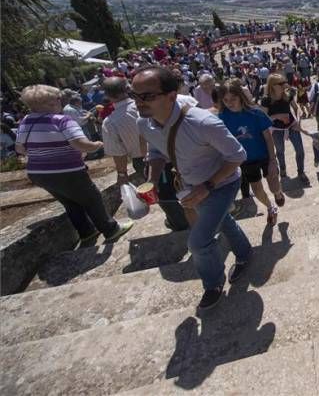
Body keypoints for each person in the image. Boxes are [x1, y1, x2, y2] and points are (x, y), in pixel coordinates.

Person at [133, 66, 253, 311]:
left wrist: (208, 186)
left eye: (146, 96)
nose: (138, 102)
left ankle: (213, 283)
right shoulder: (144, 123)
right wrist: (153, 179)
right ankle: (245, 252)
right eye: (134, 94)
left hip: (223, 183)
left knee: (198, 242)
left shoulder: (202, 122)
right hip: (191, 185)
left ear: (170, 96)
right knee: (223, 220)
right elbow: (156, 151)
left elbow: (238, 156)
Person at [15, 85, 134, 243]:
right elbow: (80, 144)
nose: (61, 102)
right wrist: (97, 145)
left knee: (70, 202)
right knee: (92, 198)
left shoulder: (25, 122)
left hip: (38, 173)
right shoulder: (62, 121)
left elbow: (20, 149)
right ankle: (111, 229)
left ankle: (86, 232)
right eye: (59, 99)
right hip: (67, 171)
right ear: (50, 102)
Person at [101, 76, 191, 231]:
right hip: (179, 152)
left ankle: (180, 223)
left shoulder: (111, 122)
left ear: (108, 96)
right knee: (187, 186)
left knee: (163, 195)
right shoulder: (155, 104)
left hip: (145, 160)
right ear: (128, 88)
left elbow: (118, 152)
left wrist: (122, 174)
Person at [218, 79, 284, 226]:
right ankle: (270, 207)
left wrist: (273, 160)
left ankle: (278, 194)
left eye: (233, 98)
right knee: (258, 190)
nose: (229, 103)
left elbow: (268, 137)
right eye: (226, 99)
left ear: (240, 96)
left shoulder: (256, 113)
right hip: (245, 161)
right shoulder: (221, 118)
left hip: (265, 156)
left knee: (274, 185)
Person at [261, 73, 309, 184]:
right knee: (280, 151)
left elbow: (296, 109)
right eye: (281, 83)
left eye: (285, 82)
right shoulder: (266, 100)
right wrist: (277, 116)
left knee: (300, 150)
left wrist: (298, 122)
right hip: (276, 130)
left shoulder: (288, 94)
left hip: (292, 126)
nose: (285, 85)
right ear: (272, 85)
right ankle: (282, 169)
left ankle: (301, 171)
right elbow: (264, 118)